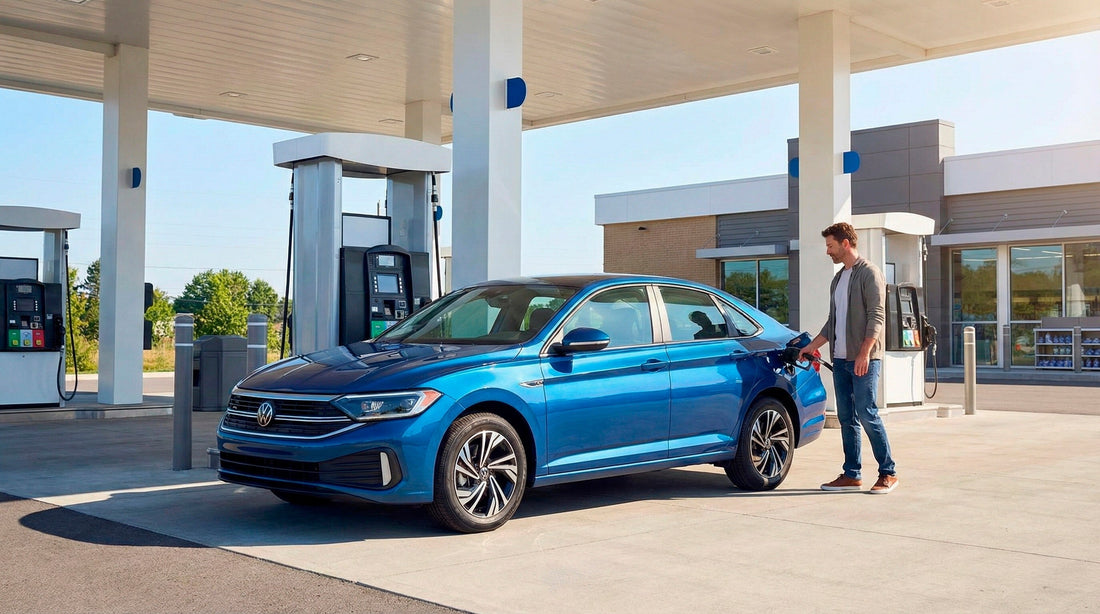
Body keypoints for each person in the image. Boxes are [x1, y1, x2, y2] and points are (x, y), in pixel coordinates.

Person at [798, 222, 898, 494]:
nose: (827, 251)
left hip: (863, 358)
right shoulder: (838, 279)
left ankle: (888, 472)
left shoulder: (870, 274)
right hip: (841, 361)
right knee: (847, 418)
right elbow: (833, 323)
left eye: (830, 245)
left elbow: (876, 317)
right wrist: (811, 346)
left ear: (845, 243)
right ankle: (852, 474)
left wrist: (864, 354)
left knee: (867, 414)